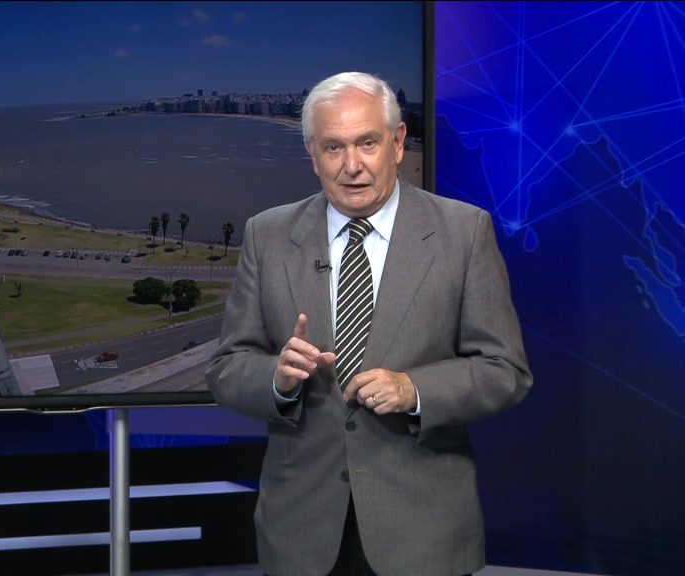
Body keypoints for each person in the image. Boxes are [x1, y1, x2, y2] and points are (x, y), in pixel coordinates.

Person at [205, 71, 532, 576]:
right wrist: (276, 379)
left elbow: (505, 371)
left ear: (398, 143)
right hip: (302, 534)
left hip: (424, 533)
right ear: (313, 155)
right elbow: (227, 368)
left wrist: (414, 389)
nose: (352, 165)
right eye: (333, 147)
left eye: (367, 143)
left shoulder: (464, 232)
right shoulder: (267, 235)